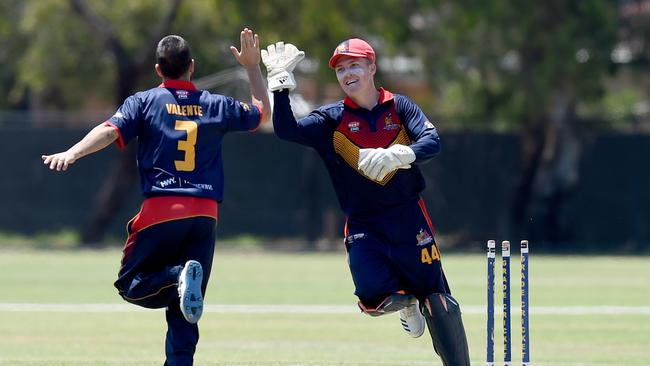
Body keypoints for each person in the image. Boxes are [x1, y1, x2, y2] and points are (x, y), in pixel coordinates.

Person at [41, 29, 270, 366]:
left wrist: (73, 152)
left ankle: (177, 276)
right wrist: (252, 68)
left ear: (158, 69)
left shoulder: (144, 101)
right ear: (192, 66)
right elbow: (262, 114)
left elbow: (108, 131)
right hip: (205, 214)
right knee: (187, 306)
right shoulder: (214, 104)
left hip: (163, 209)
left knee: (131, 284)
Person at [262, 38, 470, 365]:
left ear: (372, 68)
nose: (347, 73)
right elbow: (287, 131)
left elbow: (433, 140)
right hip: (364, 224)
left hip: (409, 218)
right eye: (341, 69)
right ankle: (407, 302)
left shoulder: (400, 107)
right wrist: (280, 86)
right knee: (374, 297)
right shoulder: (332, 119)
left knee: (440, 301)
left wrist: (404, 154)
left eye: (354, 65)